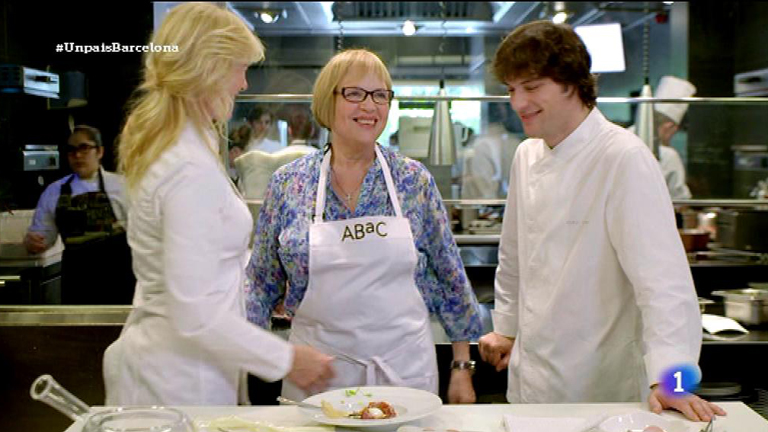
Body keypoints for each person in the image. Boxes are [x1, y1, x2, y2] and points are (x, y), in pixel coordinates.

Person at [477, 21, 726, 422]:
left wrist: (673, 381)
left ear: (572, 82)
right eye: (511, 89)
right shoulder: (527, 155)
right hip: (530, 383)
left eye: (532, 86)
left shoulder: (622, 157)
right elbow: (514, 257)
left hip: (602, 391)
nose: (518, 102)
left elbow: (665, 287)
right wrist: (506, 328)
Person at [103, 2, 334, 406]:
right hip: (174, 381)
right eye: (239, 68)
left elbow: (204, 261)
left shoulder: (184, 146)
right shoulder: (186, 166)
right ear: (208, 67)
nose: (243, 83)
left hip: (183, 369)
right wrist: (287, 359)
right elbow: (193, 310)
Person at [245, 48, 483, 404]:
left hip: (402, 374)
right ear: (327, 101)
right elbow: (260, 283)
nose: (370, 106)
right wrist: (251, 358)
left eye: (380, 95)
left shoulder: (412, 180)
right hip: (317, 375)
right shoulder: (289, 183)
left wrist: (462, 367)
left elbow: (450, 276)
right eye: (355, 94)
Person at [24, 125, 134, 305]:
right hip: (77, 281)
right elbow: (42, 236)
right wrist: (33, 242)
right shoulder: (54, 192)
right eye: (71, 150)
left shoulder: (123, 187)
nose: (77, 155)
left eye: (84, 148)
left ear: (99, 151)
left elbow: (143, 234)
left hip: (119, 280)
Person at [630, 76, 695, 200]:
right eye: (674, 132)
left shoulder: (622, 136)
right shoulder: (668, 156)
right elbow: (680, 201)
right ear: (669, 126)